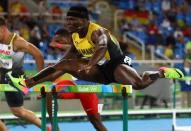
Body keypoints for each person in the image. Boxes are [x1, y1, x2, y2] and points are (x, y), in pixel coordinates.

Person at [8, 3, 184, 116]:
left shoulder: (97, 31)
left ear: (85, 20)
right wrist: (53, 74)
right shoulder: (75, 35)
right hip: (97, 69)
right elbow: (65, 61)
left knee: (139, 83)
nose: (69, 23)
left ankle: (161, 73)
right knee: (63, 64)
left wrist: (90, 64)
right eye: (67, 20)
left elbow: (101, 47)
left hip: (115, 64)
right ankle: (27, 83)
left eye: (73, 20)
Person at [46, 28, 107, 131]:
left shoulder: (83, 44)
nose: (55, 44)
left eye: (59, 40)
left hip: (88, 88)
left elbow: (74, 48)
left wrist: (58, 45)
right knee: (50, 91)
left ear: (67, 38)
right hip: (74, 85)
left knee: (96, 122)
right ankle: (55, 127)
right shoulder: (67, 55)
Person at [0, 17, 48, 130]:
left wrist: (39, 79)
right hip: (4, 76)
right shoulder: (1, 41)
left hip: (16, 79)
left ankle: (46, 128)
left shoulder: (17, 41)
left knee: (18, 111)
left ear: (2, 29)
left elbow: (39, 55)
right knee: (18, 111)